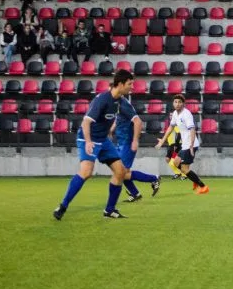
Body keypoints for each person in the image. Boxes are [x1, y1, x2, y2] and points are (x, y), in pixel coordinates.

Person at [53, 70, 158, 220]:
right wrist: (89, 142)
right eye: (130, 84)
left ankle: (109, 210)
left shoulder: (121, 101)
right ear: (120, 84)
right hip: (87, 138)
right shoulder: (102, 100)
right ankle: (62, 206)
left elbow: (133, 120)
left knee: (121, 172)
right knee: (87, 172)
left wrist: (117, 134)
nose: (132, 87)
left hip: (103, 140)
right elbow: (86, 122)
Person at [156, 94, 208, 195]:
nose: (177, 104)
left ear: (183, 104)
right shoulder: (175, 113)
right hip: (185, 144)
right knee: (176, 163)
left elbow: (192, 129)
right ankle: (195, 181)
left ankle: (203, 187)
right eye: (176, 102)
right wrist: (162, 140)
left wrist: (192, 146)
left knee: (184, 168)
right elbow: (170, 128)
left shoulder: (186, 114)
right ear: (173, 103)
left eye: (180, 102)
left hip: (190, 144)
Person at [112, 97, 161, 203]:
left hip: (127, 142)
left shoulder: (124, 104)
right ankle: (136, 194)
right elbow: (117, 120)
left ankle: (154, 179)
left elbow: (138, 122)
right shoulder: (116, 105)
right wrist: (110, 131)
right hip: (121, 142)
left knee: (121, 172)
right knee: (122, 172)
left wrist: (135, 140)